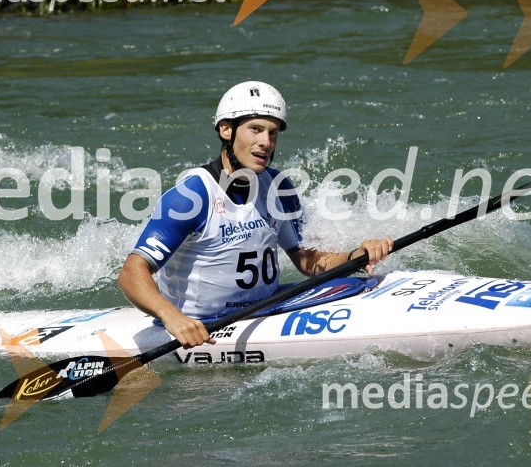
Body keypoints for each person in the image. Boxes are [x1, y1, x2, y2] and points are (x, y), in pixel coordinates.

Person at [118, 81, 393, 348]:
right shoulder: (191, 196)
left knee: (355, 282)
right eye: (255, 130)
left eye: (272, 133)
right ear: (227, 130)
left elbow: (309, 260)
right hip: (203, 323)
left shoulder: (277, 186)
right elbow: (132, 272)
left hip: (267, 307)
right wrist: (172, 317)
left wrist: (355, 256)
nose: (266, 142)